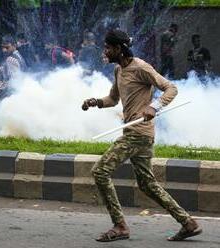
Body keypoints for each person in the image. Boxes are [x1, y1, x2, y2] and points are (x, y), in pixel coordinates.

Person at [82, 29, 202, 242]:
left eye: (108, 48)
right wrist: (95, 102)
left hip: (138, 135)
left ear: (119, 49)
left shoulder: (141, 67)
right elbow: (113, 99)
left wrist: (154, 106)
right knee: (147, 184)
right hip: (136, 133)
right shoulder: (119, 70)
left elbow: (171, 88)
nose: (105, 51)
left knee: (100, 171)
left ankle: (120, 226)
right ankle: (188, 223)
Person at [0, 35, 26, 100]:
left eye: (7, 47)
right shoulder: (18, 55)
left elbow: (14, 82)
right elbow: (10, 70)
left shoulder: (10, 59)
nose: (4, 50)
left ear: (14, 45)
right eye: (3, 47)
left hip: (12, 95)